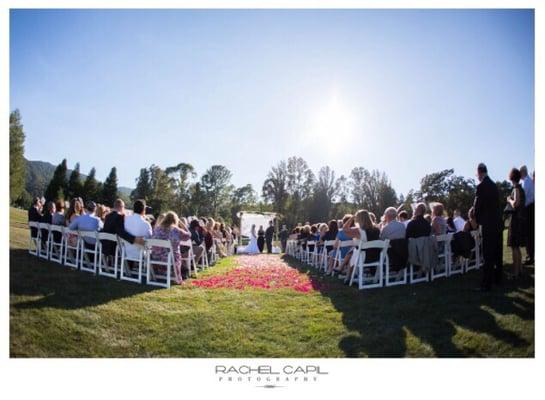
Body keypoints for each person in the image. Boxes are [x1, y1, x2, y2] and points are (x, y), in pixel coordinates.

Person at [473, 163, 502, 291]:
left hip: (488, 224)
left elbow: (477, 206)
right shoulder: (494, 186)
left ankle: (486, 283)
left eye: (477, 174)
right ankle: (498, 279)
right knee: (497, 252)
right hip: (497, 222)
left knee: (488, 254)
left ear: (480, 172)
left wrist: (477, 221)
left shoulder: (481, 186)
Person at [341, 210, 381, 285]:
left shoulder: (359, 231)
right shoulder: (377, 229)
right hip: (376, 256)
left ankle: (347, 277)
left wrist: (352, 217)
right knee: (354, 252)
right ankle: (347, 276)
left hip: (364, 258)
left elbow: (345, 229)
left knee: (353, 254)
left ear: (359, 219)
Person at [151, 211, 191, 284]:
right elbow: (188, 235)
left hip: (155, 257)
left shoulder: (157, 229)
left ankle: (160, 273)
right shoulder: (175, 230)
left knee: (171, 252)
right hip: (169, 258)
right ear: (175, 220)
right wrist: (182, 224)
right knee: (176, 254)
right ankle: (177, 277)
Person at [507, 168, 527, 279]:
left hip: (516, 221)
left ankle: (515, 272)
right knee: (517, 247)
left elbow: (516, 204)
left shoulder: (516, 188)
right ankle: (520, 271)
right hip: (521, 220)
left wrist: (509, 199)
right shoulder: (520, 188)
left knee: (514, 247)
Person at [520, 165, 534, 265]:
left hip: (528, 208)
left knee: (529, 234)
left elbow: (523, 198)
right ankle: (531, 254)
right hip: (531, 207)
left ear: (522, 172)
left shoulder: (526, 182)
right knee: (531, 233)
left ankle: (530, 256)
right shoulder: (529, 181)